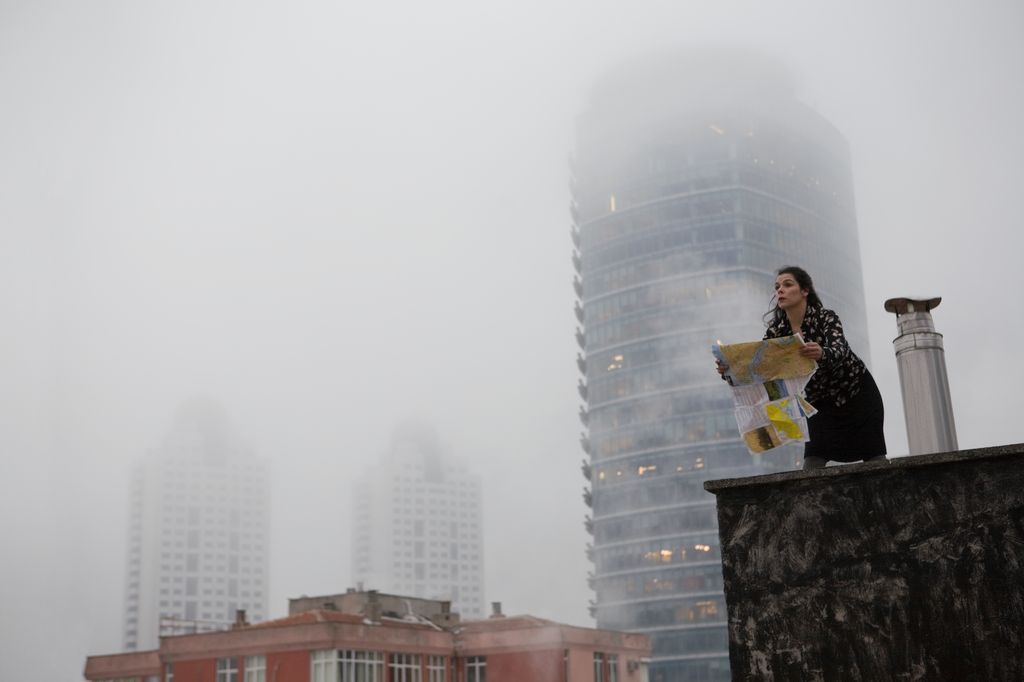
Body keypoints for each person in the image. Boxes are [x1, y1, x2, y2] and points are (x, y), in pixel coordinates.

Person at [717, 266, 887, 470]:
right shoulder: (776, 333)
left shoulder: (825, 317)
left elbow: (840, 348)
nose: (780, 290)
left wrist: (823, 353)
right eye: (777, 286)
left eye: (788, 285)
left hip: (857, 394)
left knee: (875, 458)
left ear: (804, 290)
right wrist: (729, 372)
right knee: (812, 463)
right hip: (819, 405)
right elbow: (762, 369)